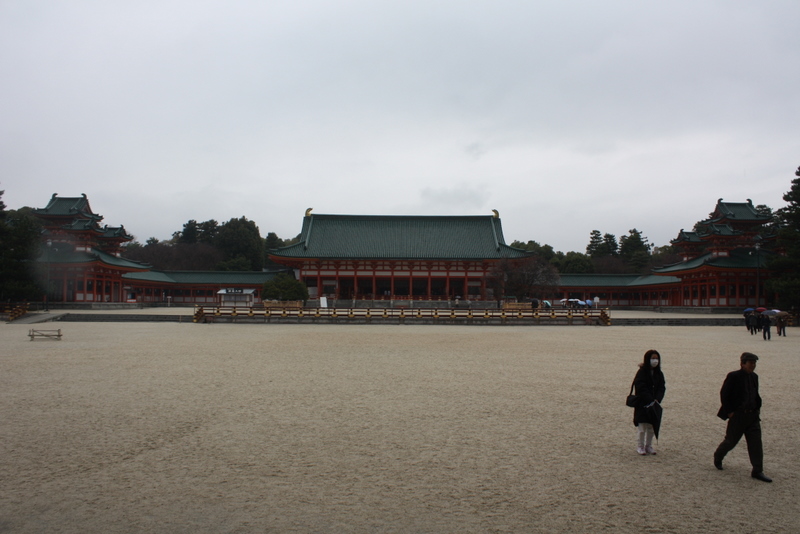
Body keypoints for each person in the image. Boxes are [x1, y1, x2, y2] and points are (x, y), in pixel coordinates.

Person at [713, 352, 772, 482]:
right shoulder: (733, 376)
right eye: (751, 363)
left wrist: (757, 409)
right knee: (730, 441)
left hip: (752, 416)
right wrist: (730, 412)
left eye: (754, 363)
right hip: (738, 415)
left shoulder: (754, 377)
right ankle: (718, 456)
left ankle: (757, 470)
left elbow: (755, 394)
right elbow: (724, 394)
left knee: (756, 444)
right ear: (742, 364)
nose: (753, 365)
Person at [632, 349, 666, 455]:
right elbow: (640, 387)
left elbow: (662, 387)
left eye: (657, 358)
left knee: (651, 427)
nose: (655, 361)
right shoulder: (642, 372)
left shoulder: (659, 373)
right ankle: (640, 446)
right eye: (653, 358)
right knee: (642, 427)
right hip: (643, 404)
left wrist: (657, 399)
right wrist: (649, 398)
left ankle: (649, 446)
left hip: (654, 404)